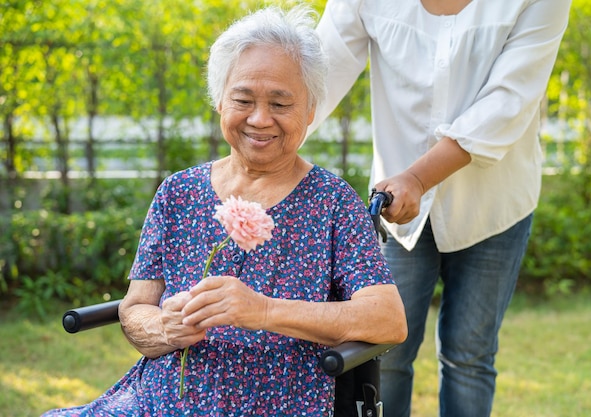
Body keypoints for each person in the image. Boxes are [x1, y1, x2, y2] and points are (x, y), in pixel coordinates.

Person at [42, 5, 407, 416]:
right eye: (243, 99)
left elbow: (388, 319)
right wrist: (164, 327)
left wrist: (264, 310)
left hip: (278, 404)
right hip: (160, 400)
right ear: (220, 102)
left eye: (281, 104)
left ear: (310, 111)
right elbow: (136, 307)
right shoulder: (177, 192)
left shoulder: (333, 202)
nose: (259, 118)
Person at [309, 0, 572, 416]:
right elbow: (314, 75)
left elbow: (508, 101)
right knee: (383, 350)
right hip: (398, 213)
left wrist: (417, 178)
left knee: (469, 355)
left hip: (494, 206)